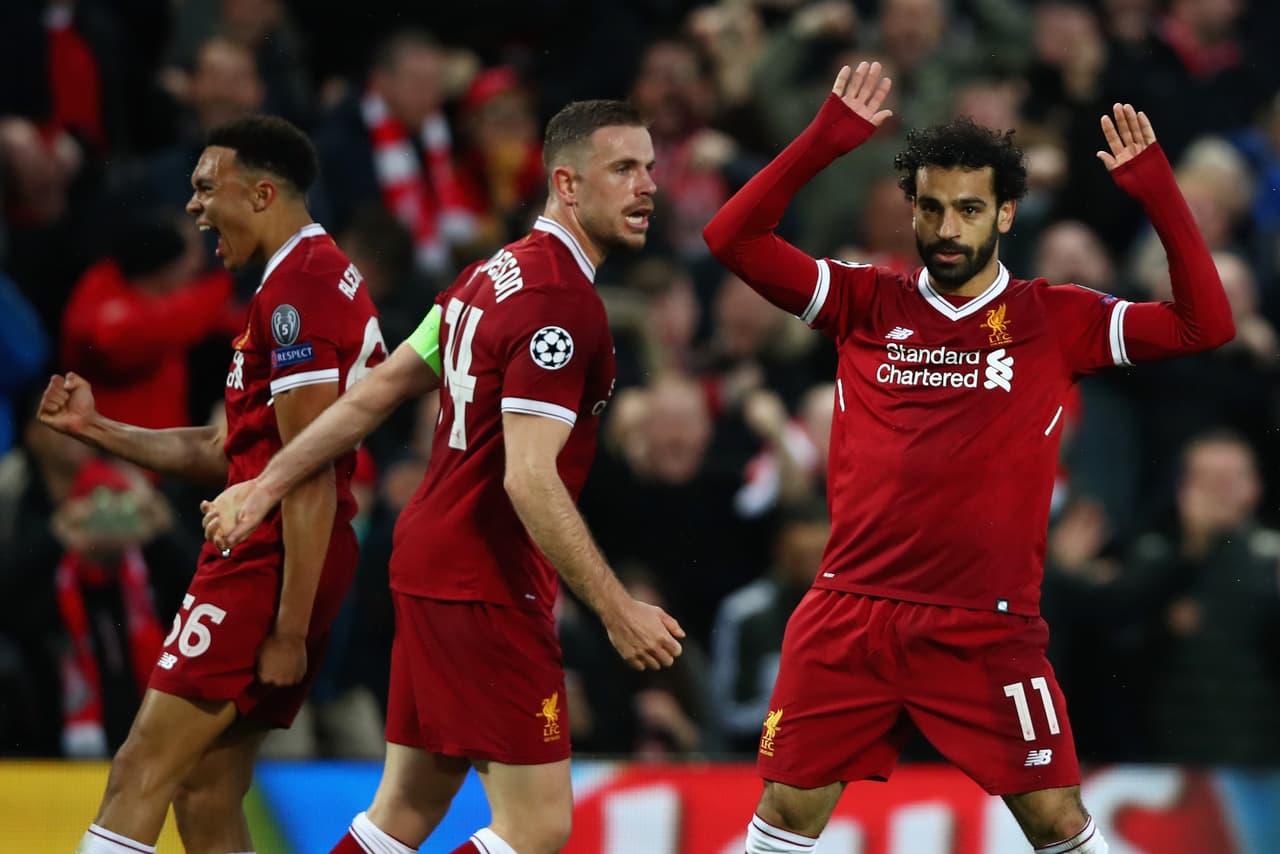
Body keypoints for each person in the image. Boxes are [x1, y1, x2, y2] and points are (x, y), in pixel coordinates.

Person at [702, 61, 1234, 854]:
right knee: (787, 814)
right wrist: (824, 141)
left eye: (971, 209)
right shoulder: (865, 300)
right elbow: (731, 238)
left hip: (986, 630)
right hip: (852, 610)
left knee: (1056, 819)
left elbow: (1206, 326)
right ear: (911, 209)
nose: (949, 229)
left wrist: (1158, 192)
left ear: (1006, 214)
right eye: (933, 208)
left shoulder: (1056, 319)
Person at [202, 99, 685, 854]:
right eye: (623, 169)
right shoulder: (562, 305)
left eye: (650, 168)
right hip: (484, 579)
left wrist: (264, 484)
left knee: (403, 814)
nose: (647, 186)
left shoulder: (486, 276)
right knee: (537, 829)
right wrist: (618, 609)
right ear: (565, 183)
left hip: (427, 559)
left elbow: (377, 390)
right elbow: (529, 479)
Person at [39, 114, 386, 854]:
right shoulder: (297, 284)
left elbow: (311, 468)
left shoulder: (299, 294)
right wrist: (98, 429)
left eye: (206, 188)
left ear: (262, 194)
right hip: (285, 551)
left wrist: (289, 632)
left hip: (268, 559)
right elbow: (221, 447)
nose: (194, 207)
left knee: (139, 769)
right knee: (205, 792)